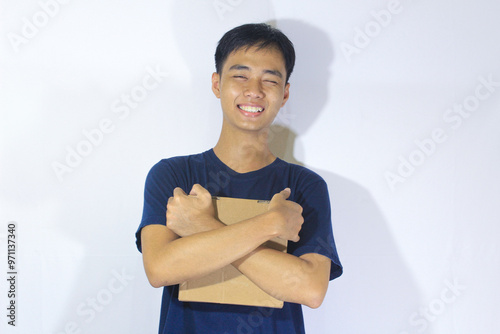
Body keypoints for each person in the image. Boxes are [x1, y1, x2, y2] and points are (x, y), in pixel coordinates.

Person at [135, 23, 342, 334]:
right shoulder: (174, 176)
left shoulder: (303, 186)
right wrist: (270, 225)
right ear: (217, 84)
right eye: (240, 76)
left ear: (284, 93)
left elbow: (310, 289)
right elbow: (160, 269)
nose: (254, 91)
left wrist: (202, 226)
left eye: (270, 80)